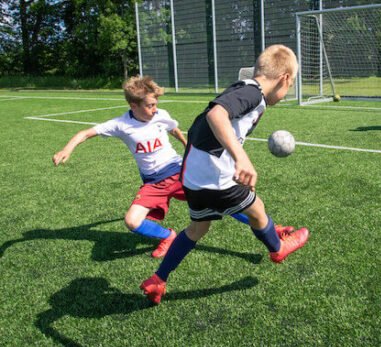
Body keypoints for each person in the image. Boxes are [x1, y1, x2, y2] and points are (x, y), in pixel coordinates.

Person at [140, 44, 309, 305]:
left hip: (194, 177)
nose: (288, 93)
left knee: (197, 228)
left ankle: (158, 279)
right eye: (292, 85)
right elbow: (215, 114)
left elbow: (200, 128)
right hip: (213, 177)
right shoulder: (252, 94)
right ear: (284, 79)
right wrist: (241, 158)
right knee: (257, 209)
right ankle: (278, 249)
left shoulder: (243, 88)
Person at [52, 76, 252, 259]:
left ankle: (268, 227)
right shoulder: (120, 125)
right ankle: (168, 236)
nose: (155, 109)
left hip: (178, 172)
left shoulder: (160, 114)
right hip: (153, 183)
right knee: (132, 221)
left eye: (156, 104)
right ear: (133, 105)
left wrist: (185, 146)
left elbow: (174, 130)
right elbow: (85, 133)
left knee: (218, 199)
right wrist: (66, 149)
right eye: (149, 105)